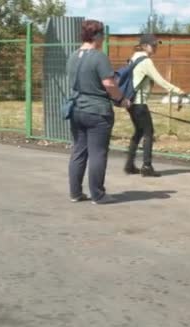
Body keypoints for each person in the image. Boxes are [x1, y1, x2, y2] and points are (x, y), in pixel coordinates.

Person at [66, 20, 132, 204]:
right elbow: (109, 84)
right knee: (97, 153)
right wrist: (122, 100)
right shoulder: (99, 57)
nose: (103, 39)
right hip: (97, 112)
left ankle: (75, 193)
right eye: (102, 35)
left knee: (79, 151)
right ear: (97, 36)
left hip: (76, 108)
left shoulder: (72, 56)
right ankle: (98, 194)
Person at [124, 34, 184, 177]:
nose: (156, 47)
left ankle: (129, 165)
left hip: (131, 102)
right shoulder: (145, 61)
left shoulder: (134, 57)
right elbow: (160, 80)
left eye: (156, 44)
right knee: (148, 133)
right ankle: (146, 167)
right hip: (139, 103)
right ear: (144, 46)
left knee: (138, 132)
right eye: (153, 45)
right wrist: (177, 90)